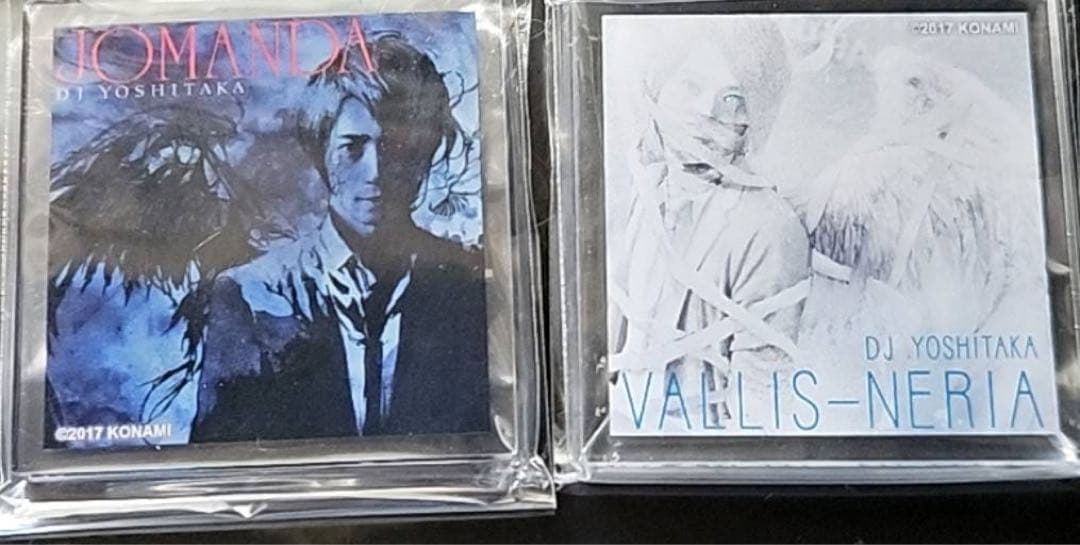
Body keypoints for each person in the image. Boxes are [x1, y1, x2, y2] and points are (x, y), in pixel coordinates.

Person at [190, 35, 489, 442]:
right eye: (353, 147)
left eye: (397, 147)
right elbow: (220, 457)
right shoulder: (249, 294)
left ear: (425, 155)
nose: (375, 171)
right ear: (321, 151)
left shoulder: (469, 287)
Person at [608, 25, 811, 431]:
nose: (707, 112)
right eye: (690, 85)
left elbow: (762, 408)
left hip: (705, 451)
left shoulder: (770, 228)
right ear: (660, 87)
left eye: (732, 98)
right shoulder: (637, 198)